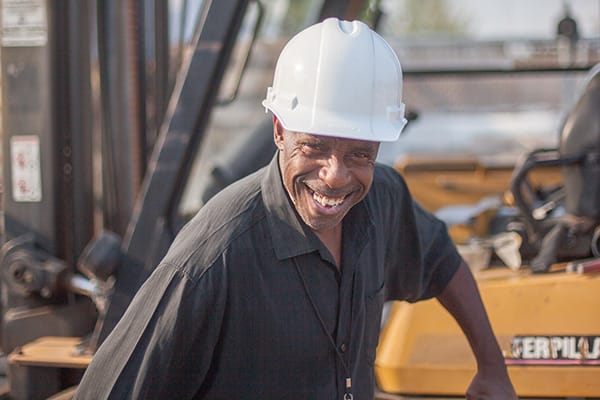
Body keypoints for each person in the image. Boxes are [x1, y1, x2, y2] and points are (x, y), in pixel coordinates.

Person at [74, 18, 517, 399]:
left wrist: (492, 369)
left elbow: (441, 260)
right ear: (279, 130)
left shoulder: (383, 199)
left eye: (360, 154)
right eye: (315, 147)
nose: (336, 175)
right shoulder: (215, 256)